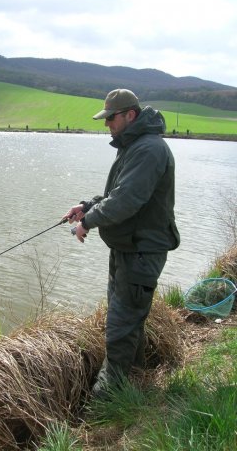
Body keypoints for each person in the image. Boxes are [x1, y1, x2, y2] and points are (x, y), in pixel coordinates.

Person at [63, 89, 180, 395]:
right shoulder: (134, 146)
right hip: (128, 249)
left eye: (111, 118)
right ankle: (136, 382)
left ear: (130, 115)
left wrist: (87, 223)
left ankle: (104, 404)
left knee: (119, 328)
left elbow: (126, 201)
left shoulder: (148, 150)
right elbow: (117, 193)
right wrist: (87, 206)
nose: (107, 125)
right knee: (128, 322)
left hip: (141, 252)